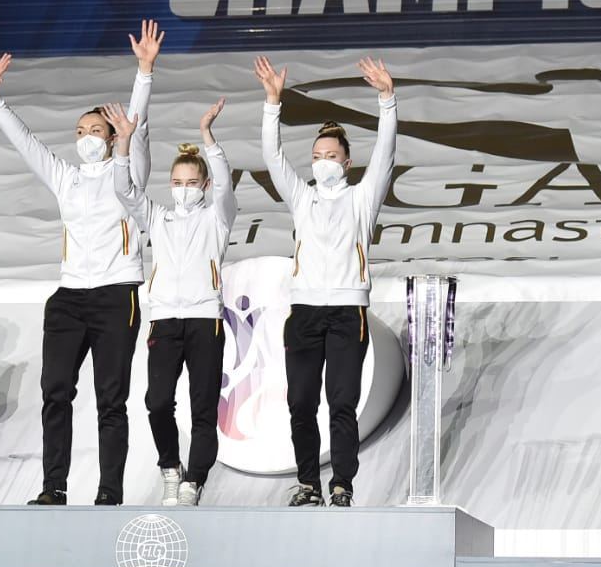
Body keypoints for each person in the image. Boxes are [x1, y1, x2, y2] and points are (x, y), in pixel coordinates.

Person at [0, 20, 163, 506]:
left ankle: (109, 493)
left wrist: (143, 72)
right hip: (68, 299)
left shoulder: (130, 173)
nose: (86, 137)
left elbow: (136, 129)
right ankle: (53, 487)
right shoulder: (66, 177)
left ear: (111, 137)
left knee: (111, 400)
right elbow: (26, 144)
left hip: (115, 295)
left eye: (95, 131)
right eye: (80, 130)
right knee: (55, 393)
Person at [255, 55, 397, 507]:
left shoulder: (362, 199)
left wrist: (387, 99)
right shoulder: (301, 198)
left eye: (331, 156)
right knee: (299, 402)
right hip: (304, 312)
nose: (322, 164)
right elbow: (272, 157)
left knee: (341, 402)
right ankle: (307, 482)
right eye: (316, 158)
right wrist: (272, 104)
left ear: (347, 161)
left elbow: (386, 154)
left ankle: (342, 484)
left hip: (346, 312)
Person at [105, 98, 235, 506]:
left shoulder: (218, 217)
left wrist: (207, 137)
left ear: (204, 186)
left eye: (191, 183)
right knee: (156, 402)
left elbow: (227, 186)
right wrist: (123, 143)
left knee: (202, 409)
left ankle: (194, 481)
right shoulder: (157, 217)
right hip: (164, 320)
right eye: (176, 184)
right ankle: (170, 467)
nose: (183, 191)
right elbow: (123, 189)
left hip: (204, 320)